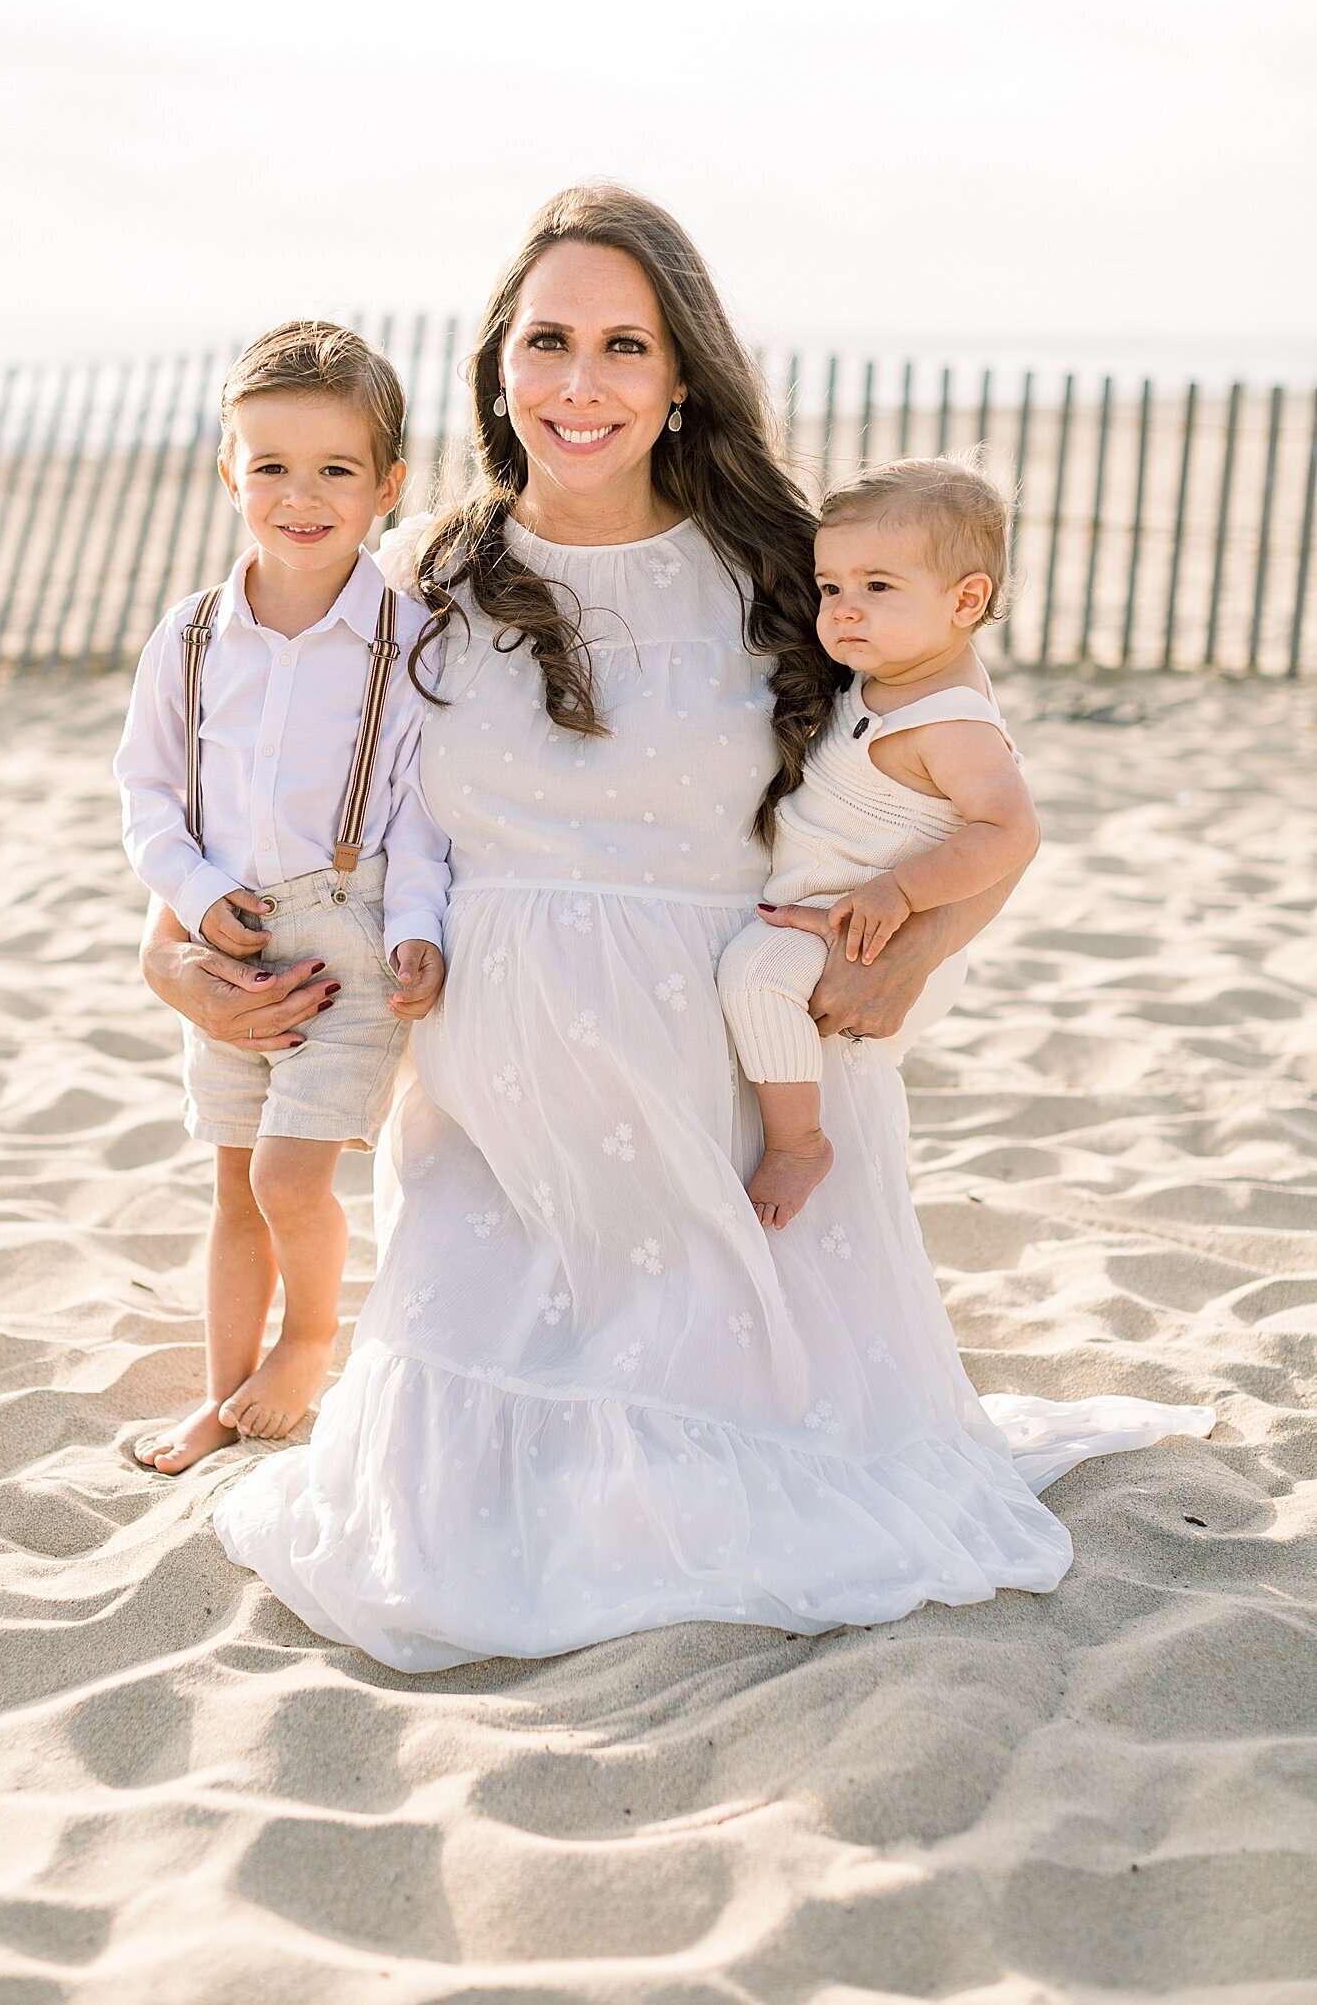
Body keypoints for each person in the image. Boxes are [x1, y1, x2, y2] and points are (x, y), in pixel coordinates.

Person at [141, 187, 1210, 1670]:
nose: (581, 383)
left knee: (762, 1490)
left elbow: (969, 780)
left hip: (733, 1115)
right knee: (444, 1521)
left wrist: (914, 958)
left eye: (624, 345)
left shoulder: (791, 568)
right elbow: (279, 793)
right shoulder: (425, 587)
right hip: (492, 1146)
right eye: (550, 341)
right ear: (499, 367)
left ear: (681, 373)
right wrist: (165, 951)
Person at [115, 320, 449, 1475]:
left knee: (289, 1174)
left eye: (336, 470)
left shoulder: (406, 643)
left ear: (389, 485)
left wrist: (414, 932)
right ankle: (221, 1392)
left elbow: (418, 815)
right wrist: (195, 896)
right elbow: (147, 791)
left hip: (348, 943)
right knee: (232, 1186)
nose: (300, 497)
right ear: (228, 473)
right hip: (230, 936)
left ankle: (310, 1338)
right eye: (270, 467)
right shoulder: (194, 634)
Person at [717, 457, 1040, 1231]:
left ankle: (798, 1146)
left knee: (754, 977)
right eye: (832, 588)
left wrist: (901, 892)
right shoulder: (888, 672)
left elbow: (1012, 829)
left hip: (870, 930)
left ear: (967, 600)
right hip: (832, 906)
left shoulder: (950, 722)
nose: (845, 611)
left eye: (878, 587)